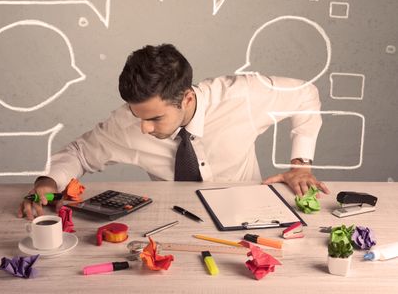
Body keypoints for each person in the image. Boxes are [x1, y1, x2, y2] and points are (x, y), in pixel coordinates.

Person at [18, 44, 330, 219]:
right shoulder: (129, 123)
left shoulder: (242, 96)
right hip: (174, 220)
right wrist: (47, 183)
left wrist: (301, 166)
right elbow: (80, 154)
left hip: (249, 214)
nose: (143, 127)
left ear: (187, 99)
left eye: (154, 118)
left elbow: (305, 94)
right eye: (137, 115)